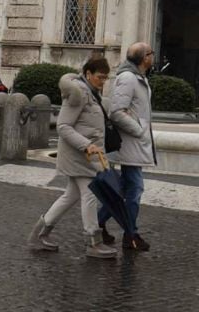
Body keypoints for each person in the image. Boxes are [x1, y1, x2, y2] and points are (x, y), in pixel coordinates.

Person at [29, 56, 117, 258]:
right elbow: (63, 126)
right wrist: (86, 145)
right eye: (100, 77)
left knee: (71, 195)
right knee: (90, 194)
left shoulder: (91, 92)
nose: (103, 81)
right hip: (79, 155)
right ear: (88, 74)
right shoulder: (78, 93)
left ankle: (39, 234)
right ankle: (93, 242)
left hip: (85, 155)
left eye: (105, 78)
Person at [98, 41, 158, 252]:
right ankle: (130, 234)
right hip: (130, 143)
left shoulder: (139, 78)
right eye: (151, 53)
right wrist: (139, 131)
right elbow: (116, 112)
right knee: (135, 188)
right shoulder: (128, 78)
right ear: (144, 58)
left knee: (123, 189)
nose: (153, 56)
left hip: (134, 144)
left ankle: (98, 224)